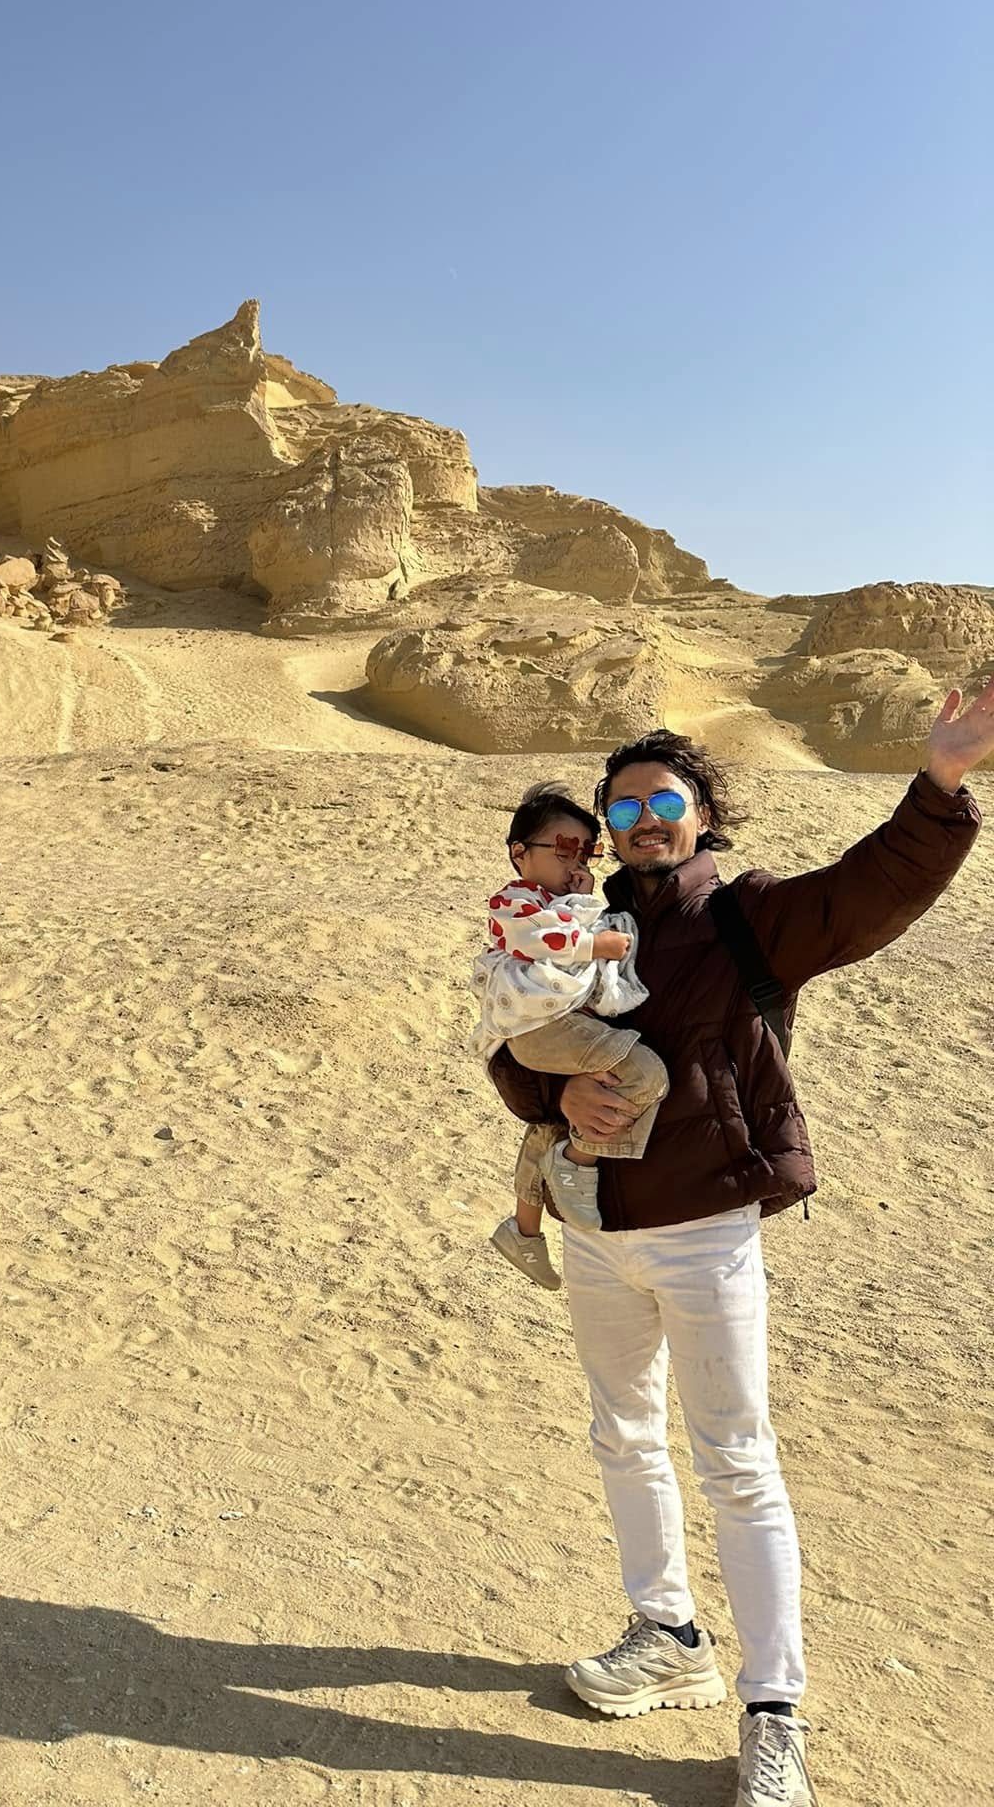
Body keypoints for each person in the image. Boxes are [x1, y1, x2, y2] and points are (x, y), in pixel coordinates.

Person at [487, 683, 991, 1807]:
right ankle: (666, 1633)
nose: (644, 819)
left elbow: (872, 888)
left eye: (665, 800)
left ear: (703, 814)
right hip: (597, 1224)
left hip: (705, 1227)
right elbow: (514, 1043)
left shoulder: (749, 917)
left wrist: (943, 781)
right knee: (623, 1434)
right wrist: (553, 1098)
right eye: (625, 806)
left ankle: (774, 1714)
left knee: (736, 1462)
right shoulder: (579, 926)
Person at [469, 783, 670, 1290]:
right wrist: (598, 943)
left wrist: (583, 899)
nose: (576, 861)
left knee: (553, 1122)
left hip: (552, 1027)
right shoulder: (513, 901)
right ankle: (580, 1161)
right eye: (563, 849)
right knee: (647, 1075)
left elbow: (575, 931)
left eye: (586, 851)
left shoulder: (562, 901)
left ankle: (524, 1230)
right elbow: (541, 939)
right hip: (539, 1027)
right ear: (519, 853)